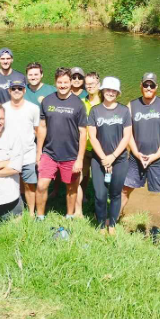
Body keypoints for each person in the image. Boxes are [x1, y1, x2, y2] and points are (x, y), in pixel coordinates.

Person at [121, 73, 160, 240]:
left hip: (158, 159)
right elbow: (128, 133)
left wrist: (156, 155)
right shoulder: (131, 105)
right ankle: (113, 220)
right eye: (145, 85)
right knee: (125, 189)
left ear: (156, 87)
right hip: (136, 158)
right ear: (140, 85)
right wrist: (135, 152)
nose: (148, 88)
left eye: (151, 85)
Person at [35, 68, 87, 221]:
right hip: (49, 153)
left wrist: (80, 158)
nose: (62, 85)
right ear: (55, 82)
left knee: (71, 188)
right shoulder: (48, 101)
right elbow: (42, 127)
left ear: (71, 82)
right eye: (59, 82)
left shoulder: (78, 104)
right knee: (42, 185)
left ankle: (69, 215)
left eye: (65, 82)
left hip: (70, 154)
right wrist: (39, 152)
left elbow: (83, 133)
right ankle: (40, 216)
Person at [87, 77, 132, 235]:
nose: (110, 93)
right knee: (100, 195)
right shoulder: (95, 111)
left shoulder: (124, 111)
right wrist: (104, 158)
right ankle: (100, 224)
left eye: (114, 90)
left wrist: (112, 157)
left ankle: (112, 223)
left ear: (118, 93)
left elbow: (127, 137)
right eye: (108, 90)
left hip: (119, 160)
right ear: (103, 91)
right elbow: (92, 136)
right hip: (98, 160)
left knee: (115, 193)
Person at [2, 79, 40, 216]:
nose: (16, 91)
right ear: (9, 91)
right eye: (13, 88)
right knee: (11, 184)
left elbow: (37, 130)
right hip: (9, 155)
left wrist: (38, 152)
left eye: (19, 88)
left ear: (24, 90)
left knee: (30, 184)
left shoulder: (33, 108)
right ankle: (13, 211)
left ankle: (30, 212)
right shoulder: (3, 108)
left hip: (28, 153)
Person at [75, 71, 102, 217]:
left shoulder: (104, 102)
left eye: (93, 83)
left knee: (100, 179)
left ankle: (100, 207)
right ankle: (80, 202)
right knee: (82, 175)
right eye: (88, 84)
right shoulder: (81, 102)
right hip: (84, 147)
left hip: (100, 147)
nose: (90, 86)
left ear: (99, 84)